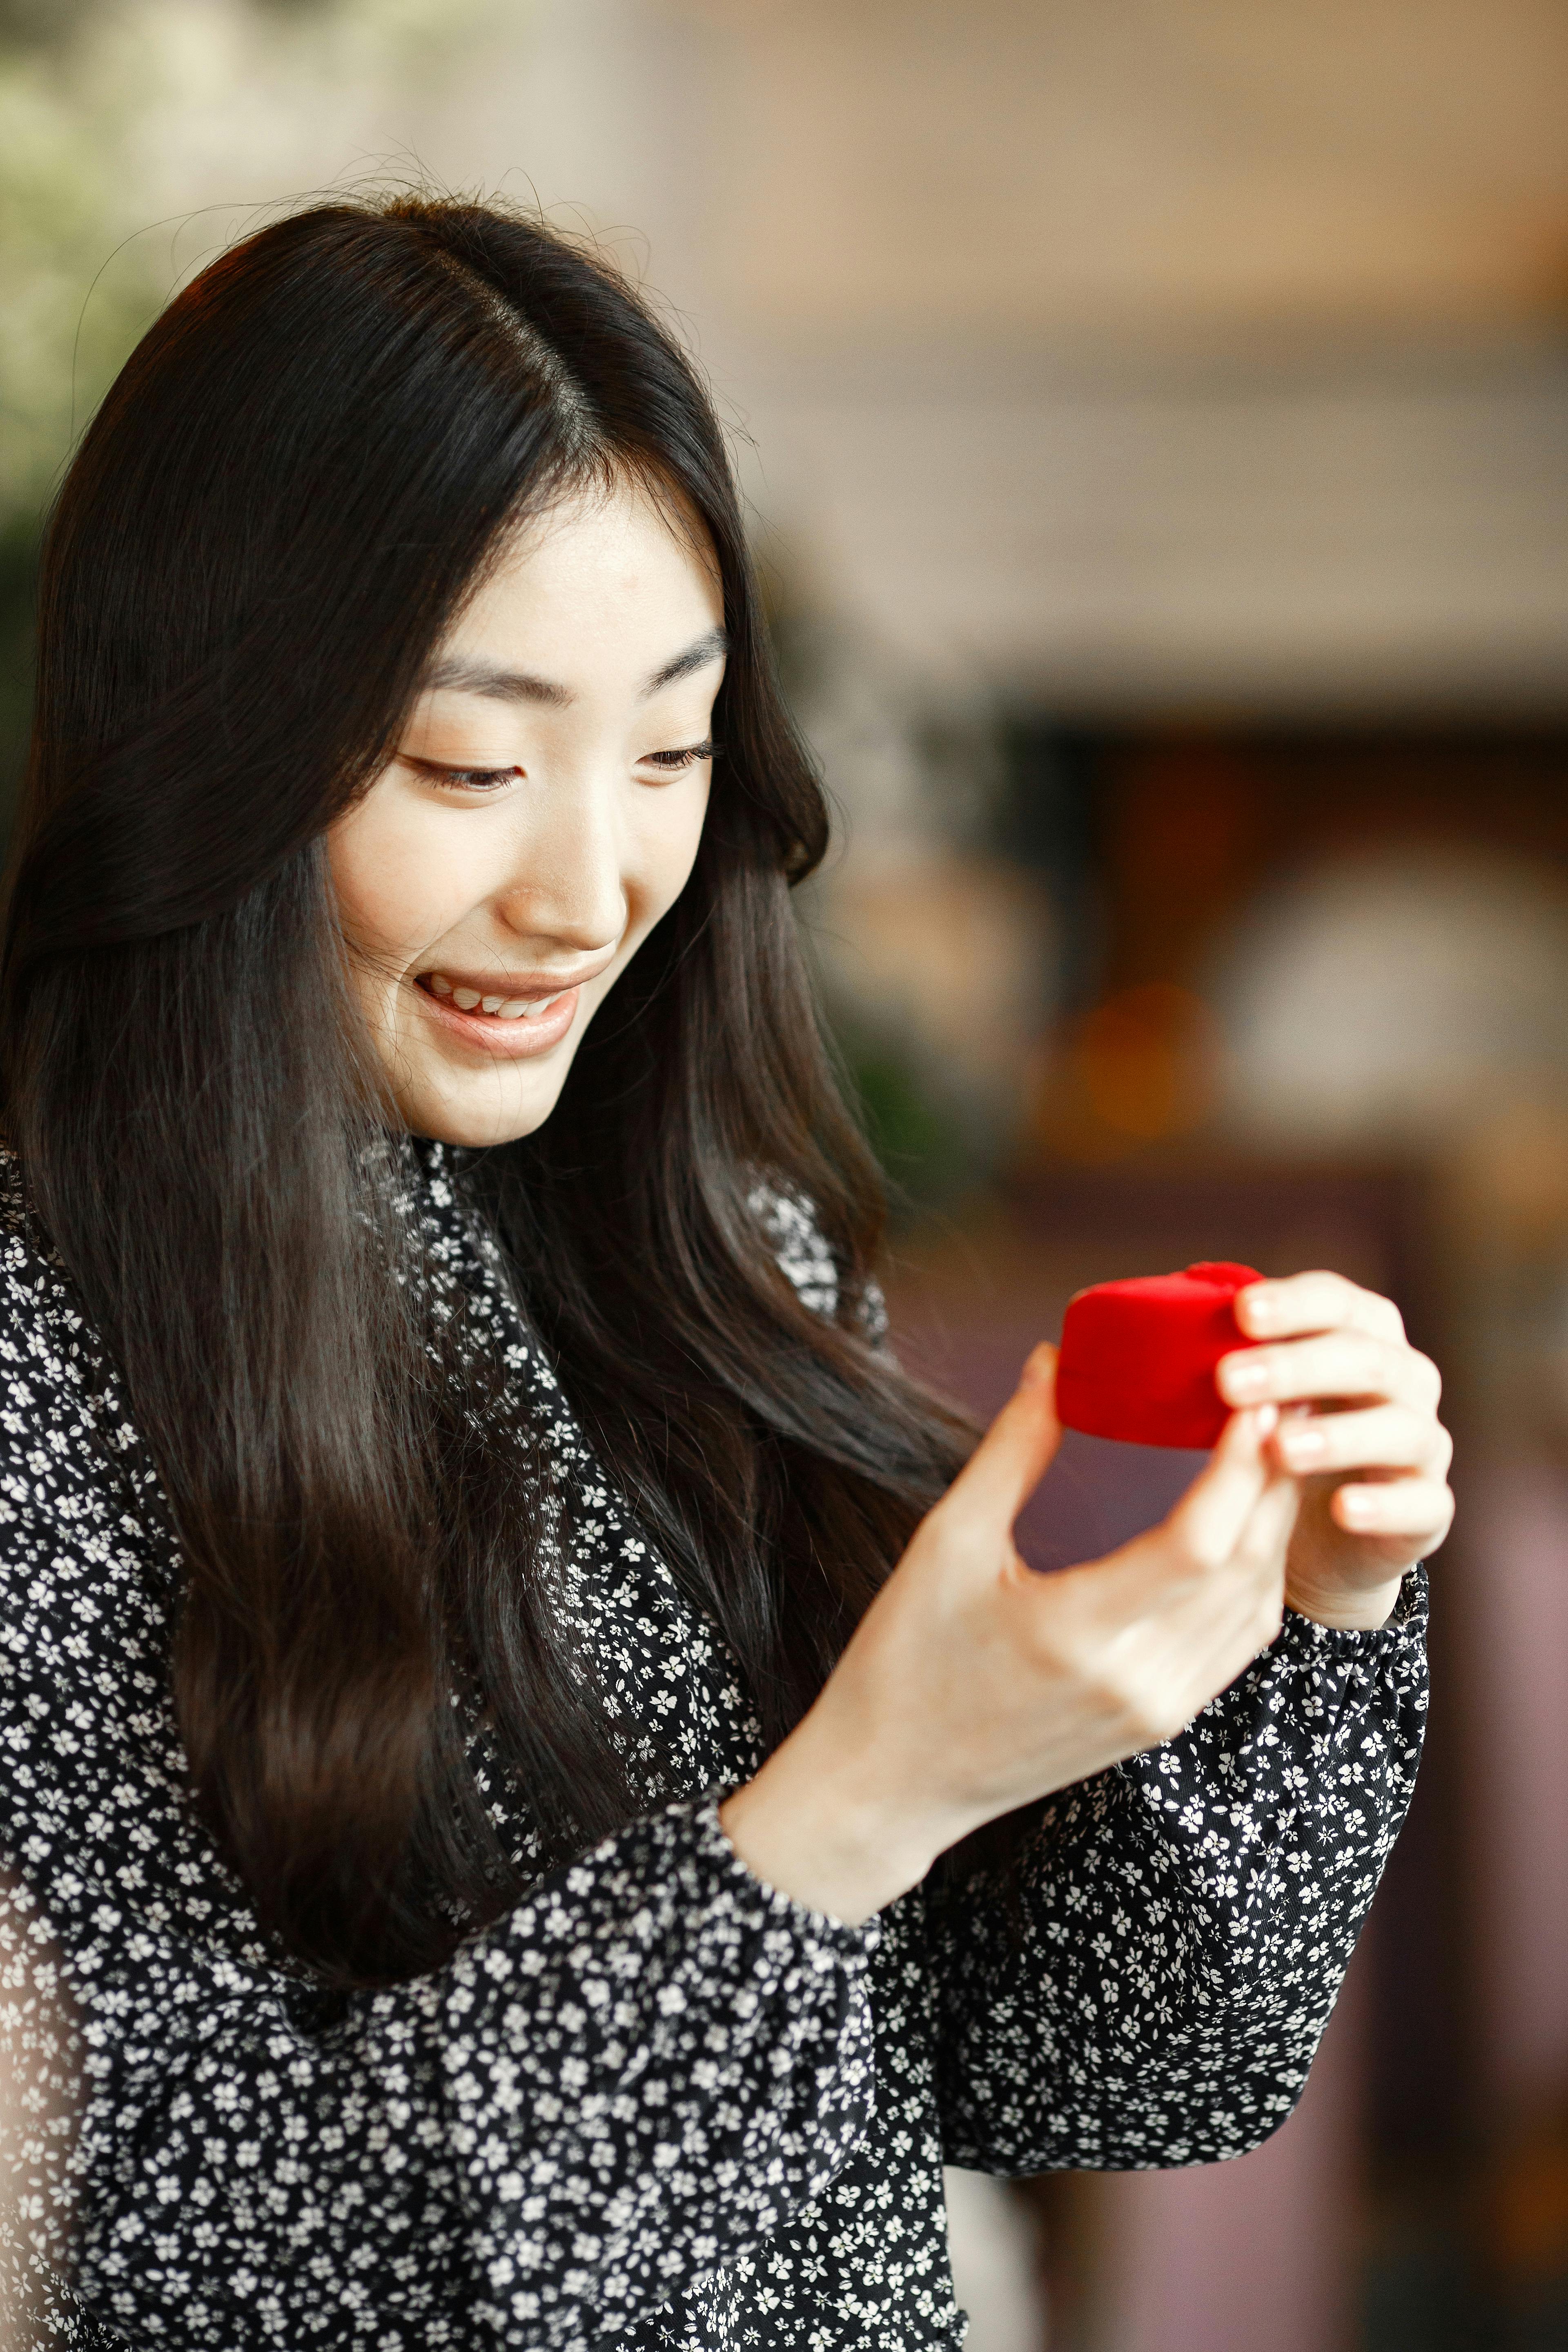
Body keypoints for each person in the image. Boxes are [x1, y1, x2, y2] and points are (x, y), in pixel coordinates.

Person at [0, 197, 1451, 2351]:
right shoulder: (39, 1356)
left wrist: (1300, 1620)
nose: (593, 887)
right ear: (199, 743)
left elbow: (1104, 2071)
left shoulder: (699, 1257)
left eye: (669, 750)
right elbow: (173, 2255)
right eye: (469, 766)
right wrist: (846, 1810)